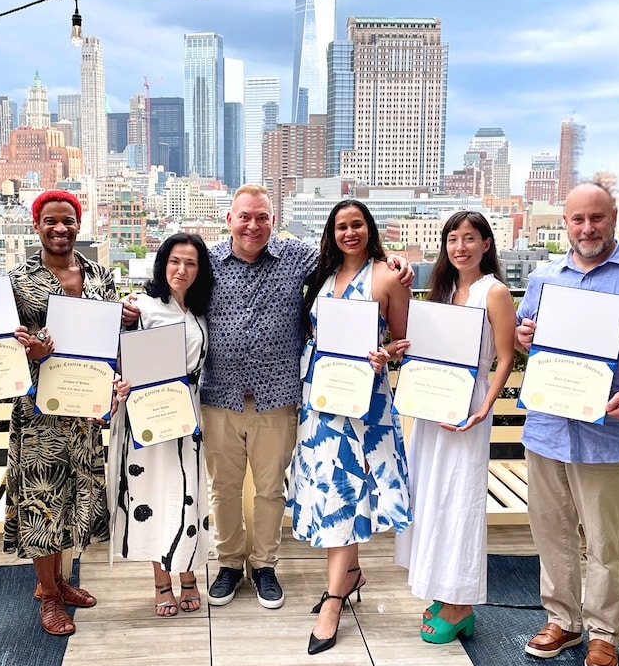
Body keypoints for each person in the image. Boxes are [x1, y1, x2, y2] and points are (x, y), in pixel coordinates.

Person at [123, 185, 411, 610]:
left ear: (273, 221)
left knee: (270, 489)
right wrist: (135, 308)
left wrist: (394, 261)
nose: (253, 226)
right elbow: (173, 293)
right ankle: (229, 564)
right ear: (230, 219)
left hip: (278, 395)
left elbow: (347, 262)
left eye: (262, 217)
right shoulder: (208, 263)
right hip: (218, 394)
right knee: (222, 487)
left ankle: (263, 565)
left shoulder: (298, 258)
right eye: (244, 217)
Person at [515, 174, 619, 666]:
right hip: (547, 426)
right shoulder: (545, 279)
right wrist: (525, 337)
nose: (588, 227)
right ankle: (562, 620)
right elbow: (528, 338)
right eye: (578, 219)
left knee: (605, 538)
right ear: (564, 224)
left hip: (609, 431)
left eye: (597, 217)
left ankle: (605, 633)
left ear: (613, 219)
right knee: (552, 531)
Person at [289, 200, 412, 654]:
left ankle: (334, 599)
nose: (350, 232)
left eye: (357, 224)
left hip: (364, 401)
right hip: (321, 398)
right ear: (332, 232)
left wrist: (387, 352)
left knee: (347, 490)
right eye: (341, 226)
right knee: (329, 486)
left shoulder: (386, 276)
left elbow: (403, 341)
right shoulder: (322, 274)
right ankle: (352, 573)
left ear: (369, 227)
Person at [394, 211, 517, 644]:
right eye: (452, 239)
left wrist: (485, 406)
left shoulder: (495, 292)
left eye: (469, 238)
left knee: (460, 495)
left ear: (486, 244)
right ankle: (441, 588)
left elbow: (505, 356)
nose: (460, 247)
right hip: (431, 404)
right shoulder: (442, 291)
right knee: (431, 494)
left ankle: (461, 602)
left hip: (468, 405)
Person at [5, 190, 116, 636]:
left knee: (73, 498)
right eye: (50, 221)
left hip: (84, 407)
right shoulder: (18, 281)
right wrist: (28, 348)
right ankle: (47, 596)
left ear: (78, 224)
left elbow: (109, 342)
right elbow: (0, 343)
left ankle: (61, 581)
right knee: (41, 499)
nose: (60, 228)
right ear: (37, 226)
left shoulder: (101, 277)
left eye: (68, 220)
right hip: (38, 410)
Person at [108, 233, 214, 617]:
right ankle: (161, 582)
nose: (181, 270)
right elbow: (119, 358)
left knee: (188, 495)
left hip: (188, 411)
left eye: (190, 263)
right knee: (153, 496)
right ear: (162, 264)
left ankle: (189, 577)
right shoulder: (144, 307)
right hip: (149, 414)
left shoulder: (201, 310)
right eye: (174, 261)